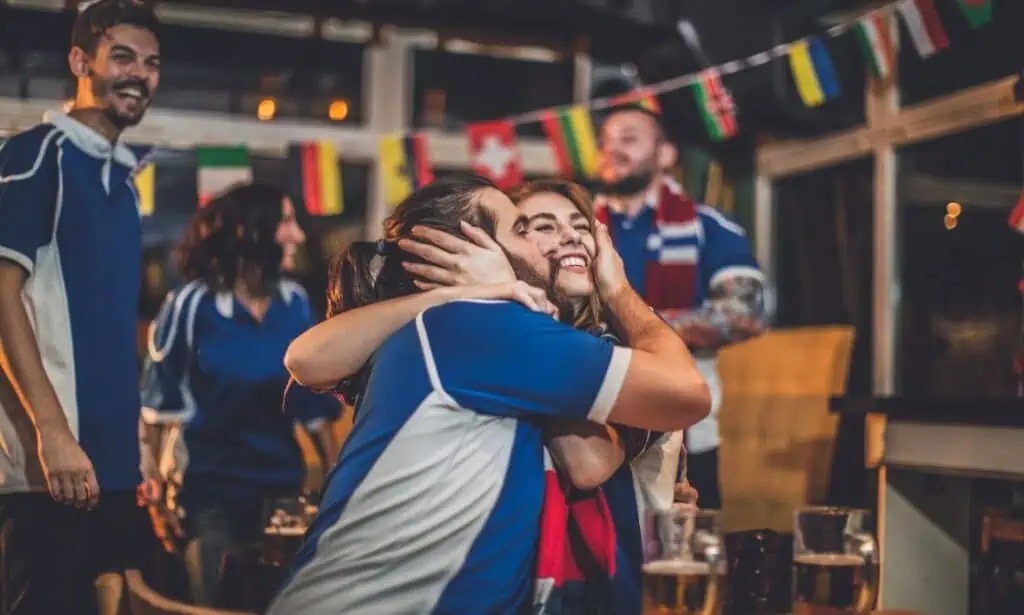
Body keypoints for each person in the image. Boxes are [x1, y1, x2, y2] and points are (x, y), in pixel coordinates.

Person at [270, 175, 710, 614]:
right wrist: (609, 292)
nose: (566, 239)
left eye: (581, 225)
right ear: (471, 249)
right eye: (531, 228)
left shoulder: (471, 327)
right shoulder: (483, 327)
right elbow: (305, 357)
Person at [0, 2, 162, 614]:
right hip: (52, 460)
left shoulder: (123, 182)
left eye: (150, 63)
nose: (138, 73)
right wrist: (53, 432)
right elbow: (1, 297)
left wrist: (137, 438)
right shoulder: (37, 156)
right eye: (121, 55)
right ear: (80, 61)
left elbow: (107, 324)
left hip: (114, 457)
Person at [138, 183, 342, 606]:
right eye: (285, 221)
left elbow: (314, 408)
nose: (297, 235)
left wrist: (341, 491)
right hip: (210, 496)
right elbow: (158, 408)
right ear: (248, 231)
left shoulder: (296, 303)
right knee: (217, 604)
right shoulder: (191, 305)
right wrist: (158, 495)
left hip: (282, 496)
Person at [596, 104, 768, 509]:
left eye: (629, 138)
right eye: (605, 142)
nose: (612, 149)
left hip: (689, 426)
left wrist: (634, 324)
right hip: (591, 424)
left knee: (684, 549)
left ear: (666, 154)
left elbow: (746, 314)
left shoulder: (709, 226)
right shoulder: (577, 227)